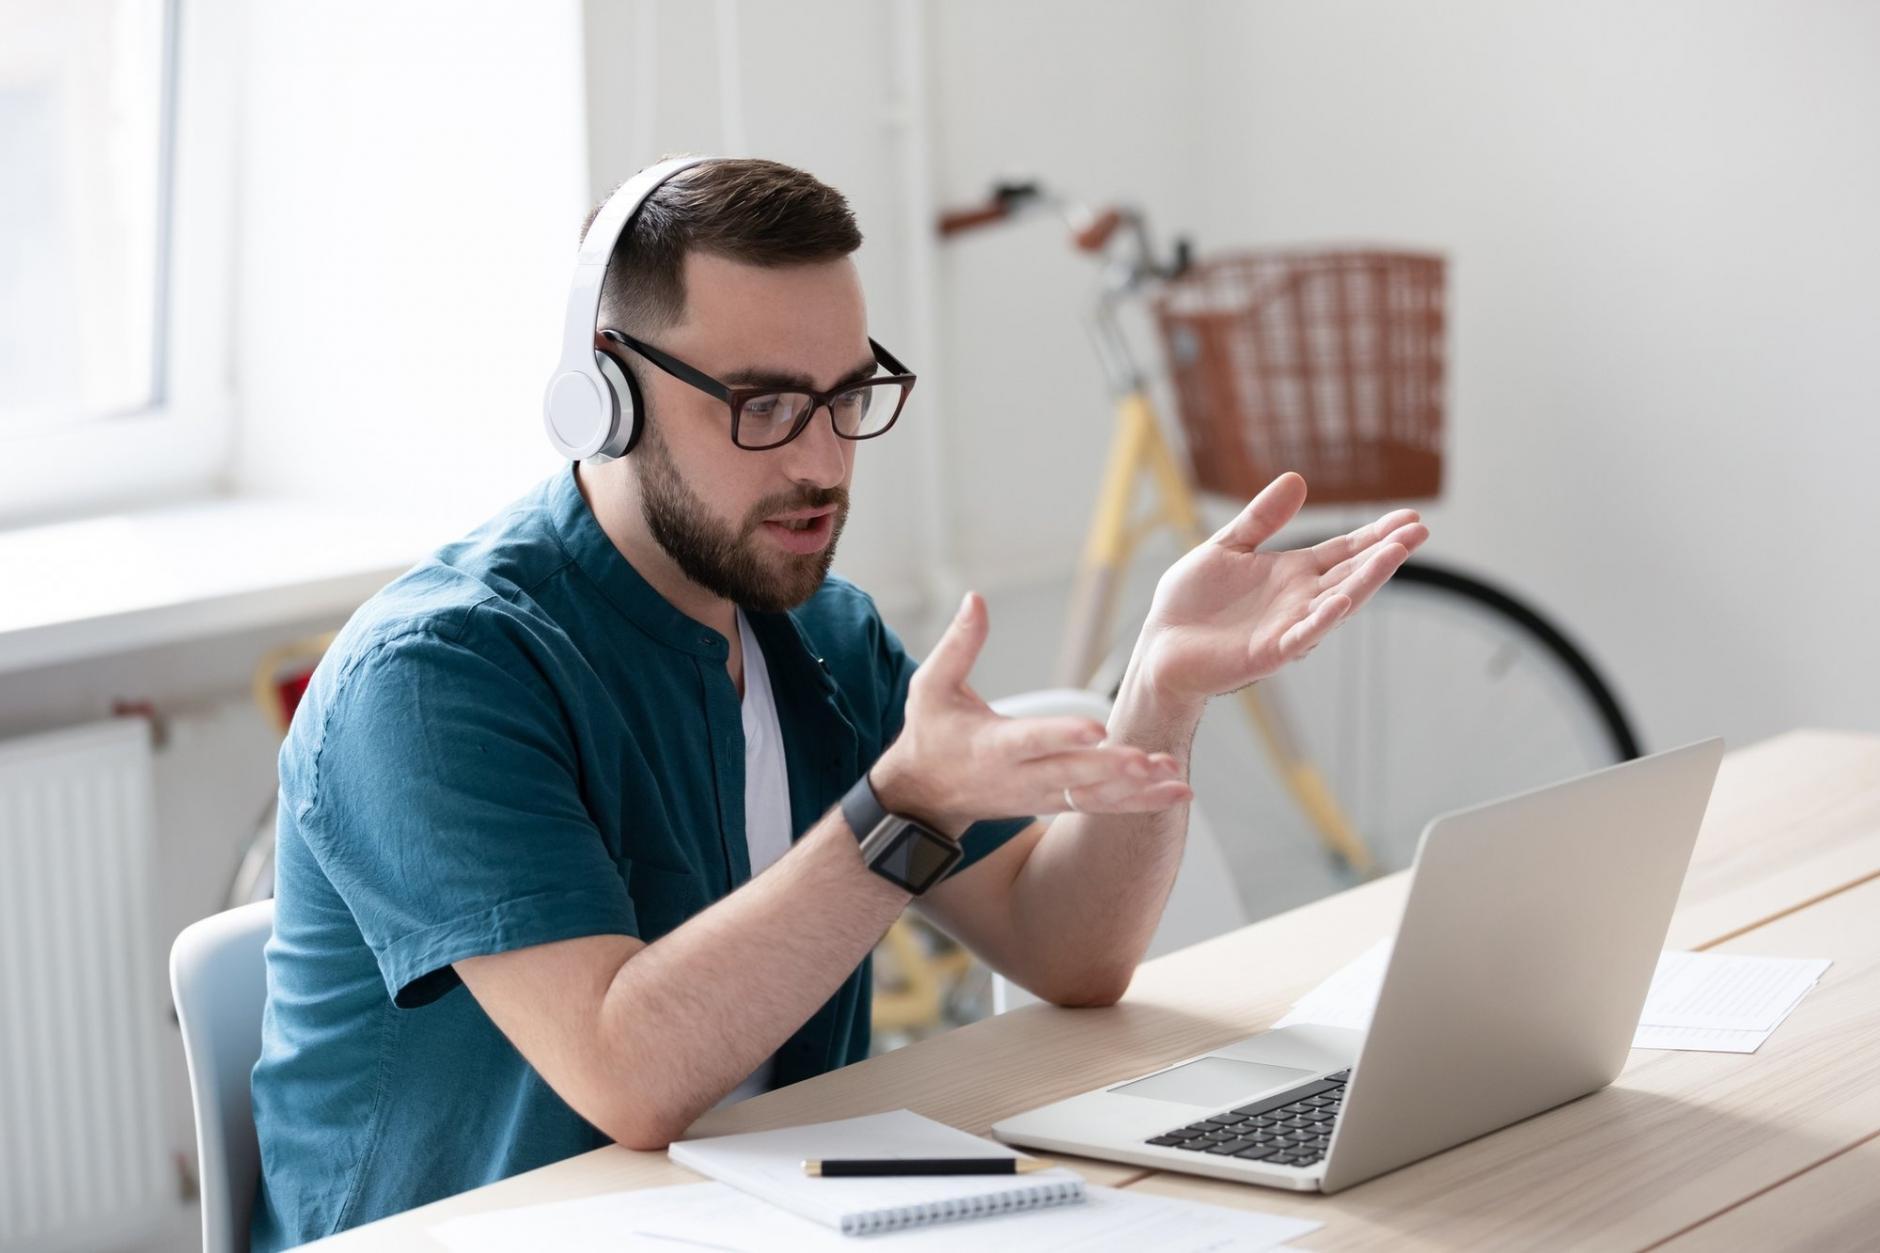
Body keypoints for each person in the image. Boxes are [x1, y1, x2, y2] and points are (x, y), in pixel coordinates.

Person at [246, 157, 1427, 1249]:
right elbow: (628, 1075)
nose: (821, 461)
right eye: (762, 405)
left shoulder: (816, 629)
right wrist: (898, 804)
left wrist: (1160, 690)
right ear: (600, 395)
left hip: (771, 1213)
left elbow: (1067, 950)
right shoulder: (439, 673)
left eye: (847, 394)